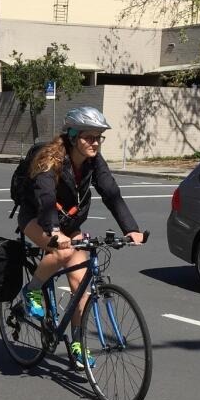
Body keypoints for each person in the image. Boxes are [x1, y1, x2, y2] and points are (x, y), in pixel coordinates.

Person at [14, 107, 145, 367]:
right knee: (61, 252)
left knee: (81, 286)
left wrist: (130, 229)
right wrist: (53, 231)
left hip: (70, 223)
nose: (95, 142)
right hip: (37, 218)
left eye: (99, 137)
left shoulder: (94, 162)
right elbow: (46, 197)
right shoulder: (50, 158)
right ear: (73, 136)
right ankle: (32, 291)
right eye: (89, 137)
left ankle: (77, 344)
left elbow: (111, 194)